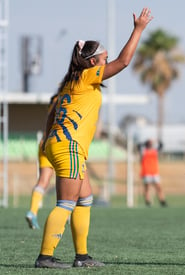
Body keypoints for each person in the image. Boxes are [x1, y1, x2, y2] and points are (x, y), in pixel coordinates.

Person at [34, 7, 153, 269]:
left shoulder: (69, 82)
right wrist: (138, 30)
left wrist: (47, 140)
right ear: (91, 62)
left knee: (84, 198)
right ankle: (45, 257)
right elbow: (123, 62)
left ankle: (82, 256)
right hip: (70, 147)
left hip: (60, 145)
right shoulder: (88, 76)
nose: (106, 62)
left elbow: (51, 113)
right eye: (103, 59)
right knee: (66, 203)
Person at [25, 94, 58, 230]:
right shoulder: (66, 97)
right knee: (68, 178)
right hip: (58, 142)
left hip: (44, 142)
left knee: (43, 181)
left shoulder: (55, 99)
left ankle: (32, 212)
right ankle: (66, 214)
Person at [138, 139, 167, 207]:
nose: (151, 145)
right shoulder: (143, 151)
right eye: (150, 144)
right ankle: (147, 201)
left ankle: (162, 201)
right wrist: (145, 142)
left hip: (154, 172)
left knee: (159, 187)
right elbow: (138, 145)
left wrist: (156, 141)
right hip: (146, 172)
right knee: (147, 188)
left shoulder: (154, 151)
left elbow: (161, 145)